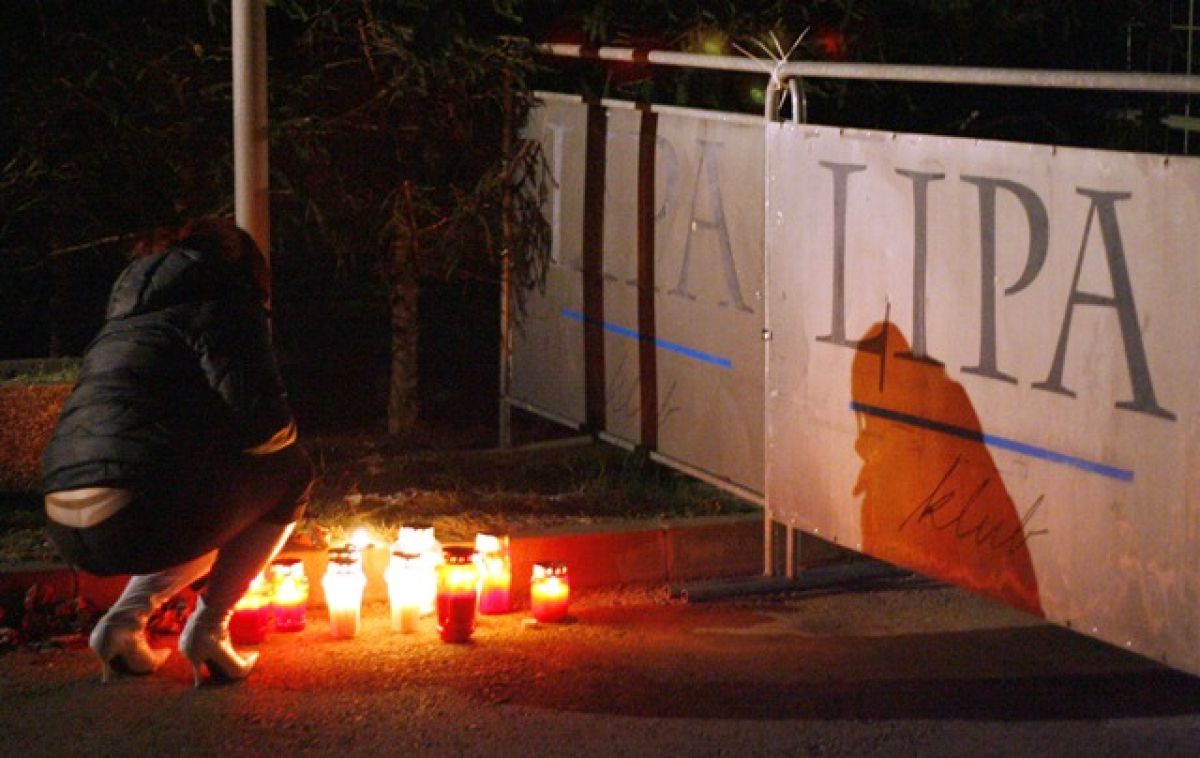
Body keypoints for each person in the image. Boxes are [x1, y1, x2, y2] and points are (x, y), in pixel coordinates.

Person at [41, 216, 314, 686]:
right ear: (244, 270)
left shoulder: (120, 325)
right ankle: (209, 629)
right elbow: (267, 428)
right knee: (292, 473)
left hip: (65, 523)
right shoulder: (222, 305)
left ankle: (120, 627)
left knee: (192, 496)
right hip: (139, 515)